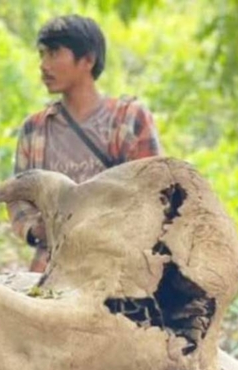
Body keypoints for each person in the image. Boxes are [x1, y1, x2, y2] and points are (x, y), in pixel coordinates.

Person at [8, 14, 162, 272]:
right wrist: (36, 230)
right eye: (42, 55)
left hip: (118, 270)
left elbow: (154, 194)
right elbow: (18, 198)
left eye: (54, 53)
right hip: (51, 269)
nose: (43, 65)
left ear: (88, 60)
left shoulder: (127, 120)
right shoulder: (34, 129)